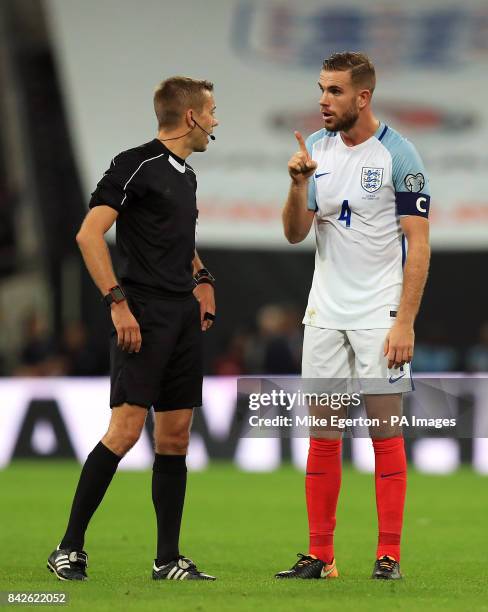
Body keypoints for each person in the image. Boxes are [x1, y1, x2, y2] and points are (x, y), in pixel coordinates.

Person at [47, 76, 218, 581]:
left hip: (182, 315)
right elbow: (88, 234)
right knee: (124, 432)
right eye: (210, 111)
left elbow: (175, 240)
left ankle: (168, 560)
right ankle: (68, 549)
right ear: (190, 116)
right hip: (142, 314)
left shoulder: (184, 175)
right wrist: (118, 304)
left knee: (176, 437)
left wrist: (202, 277)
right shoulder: (134, 164)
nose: (215, 121)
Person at [275, 52, 431, 580]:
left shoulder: (399, 155)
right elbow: (295, 233)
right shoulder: (315, 150)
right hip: (324, 313)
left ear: (362, 97)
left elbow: (420, 244)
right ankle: (321, 557)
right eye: (321, 88)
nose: (323, 100)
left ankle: (389, 555)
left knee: (385, 435)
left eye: (335, 91)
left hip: (378, 315)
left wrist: (404, 320)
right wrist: (298, 185)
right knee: (323, 436)